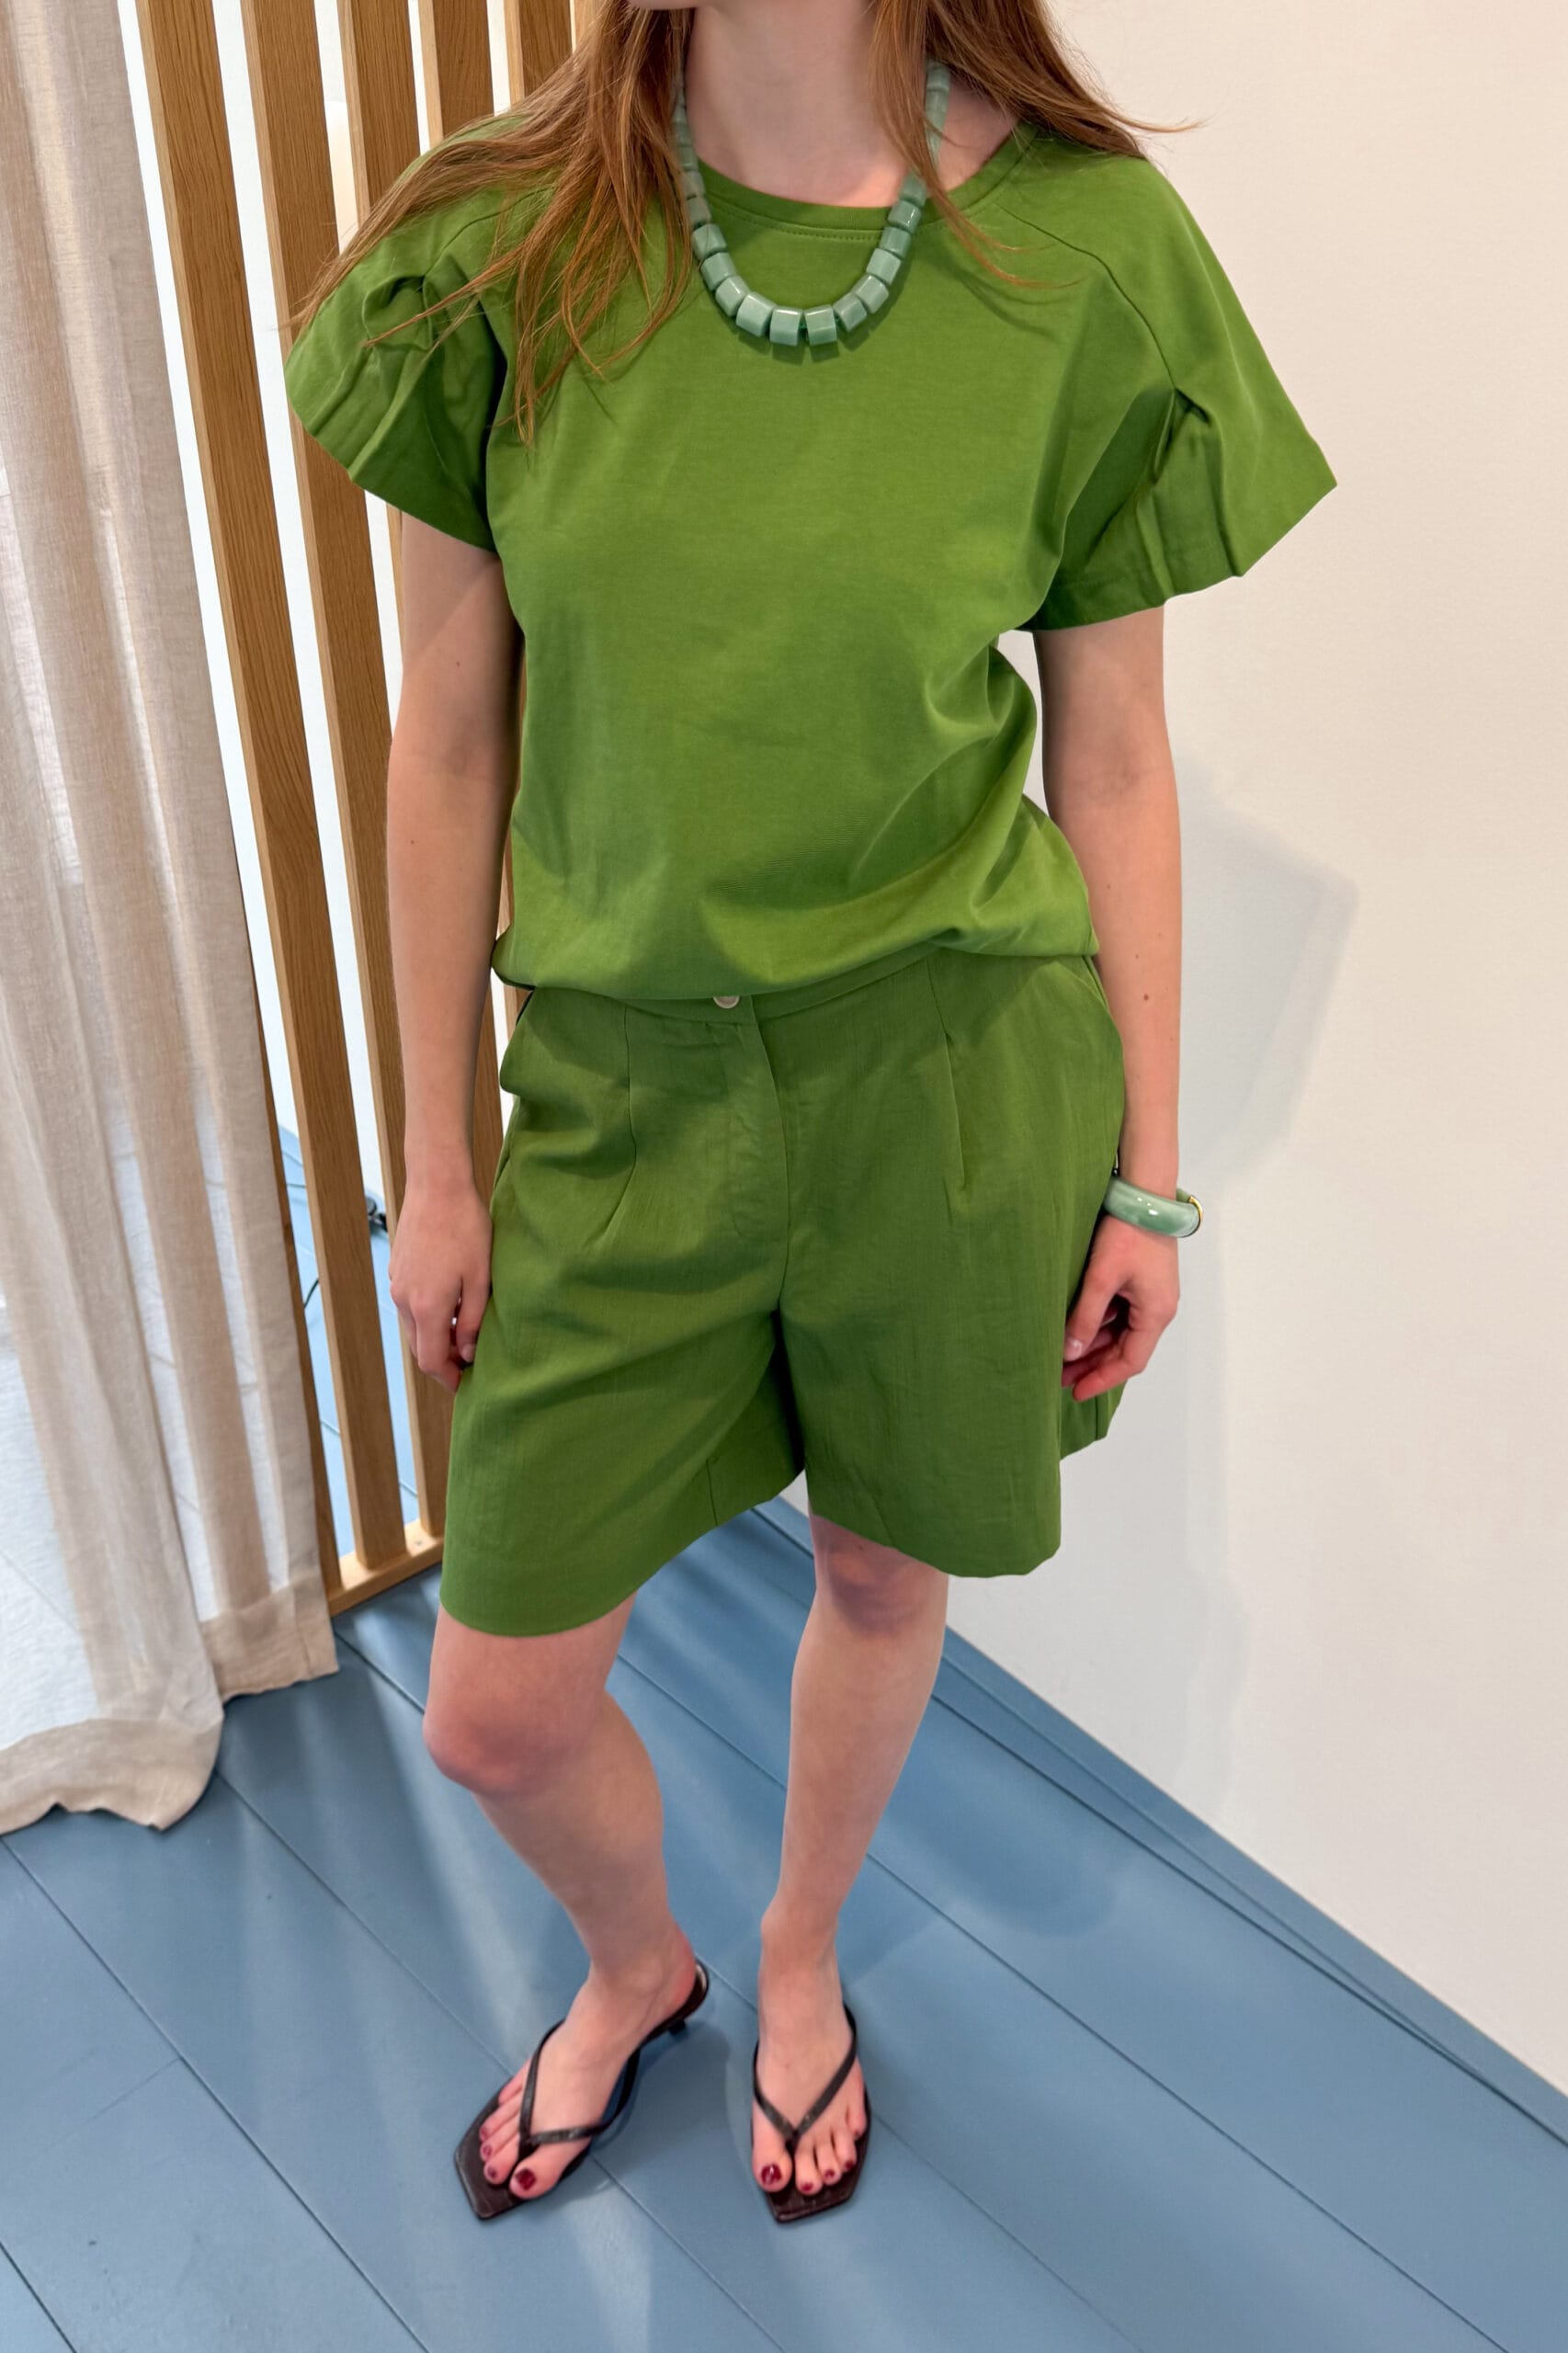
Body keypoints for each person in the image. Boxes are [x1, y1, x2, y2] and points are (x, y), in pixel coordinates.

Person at [282, 0, 1335, 2227]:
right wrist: (438, 1160)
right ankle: (633, 1960)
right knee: (493, 1707)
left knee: (878, 1560)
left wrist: (1150, 1173)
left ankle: (794, 1953)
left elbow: (1111, 754)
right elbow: (446, 743)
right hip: (619, 1085)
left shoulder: (1088, 253)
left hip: (944, 1074)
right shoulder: (490, 244)